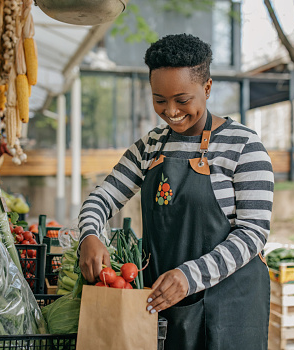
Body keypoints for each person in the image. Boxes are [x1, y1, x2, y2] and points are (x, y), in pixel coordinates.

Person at [78, 33, 274, 350]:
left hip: (231, 307)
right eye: (160, 100)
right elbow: (102, 198)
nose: (171, 111)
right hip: (169, 306)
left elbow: (253, 233)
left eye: (182, 100)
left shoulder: (245, 147)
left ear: (207, 88)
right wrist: (89, 233)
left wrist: (189, 276)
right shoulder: (150, 146)